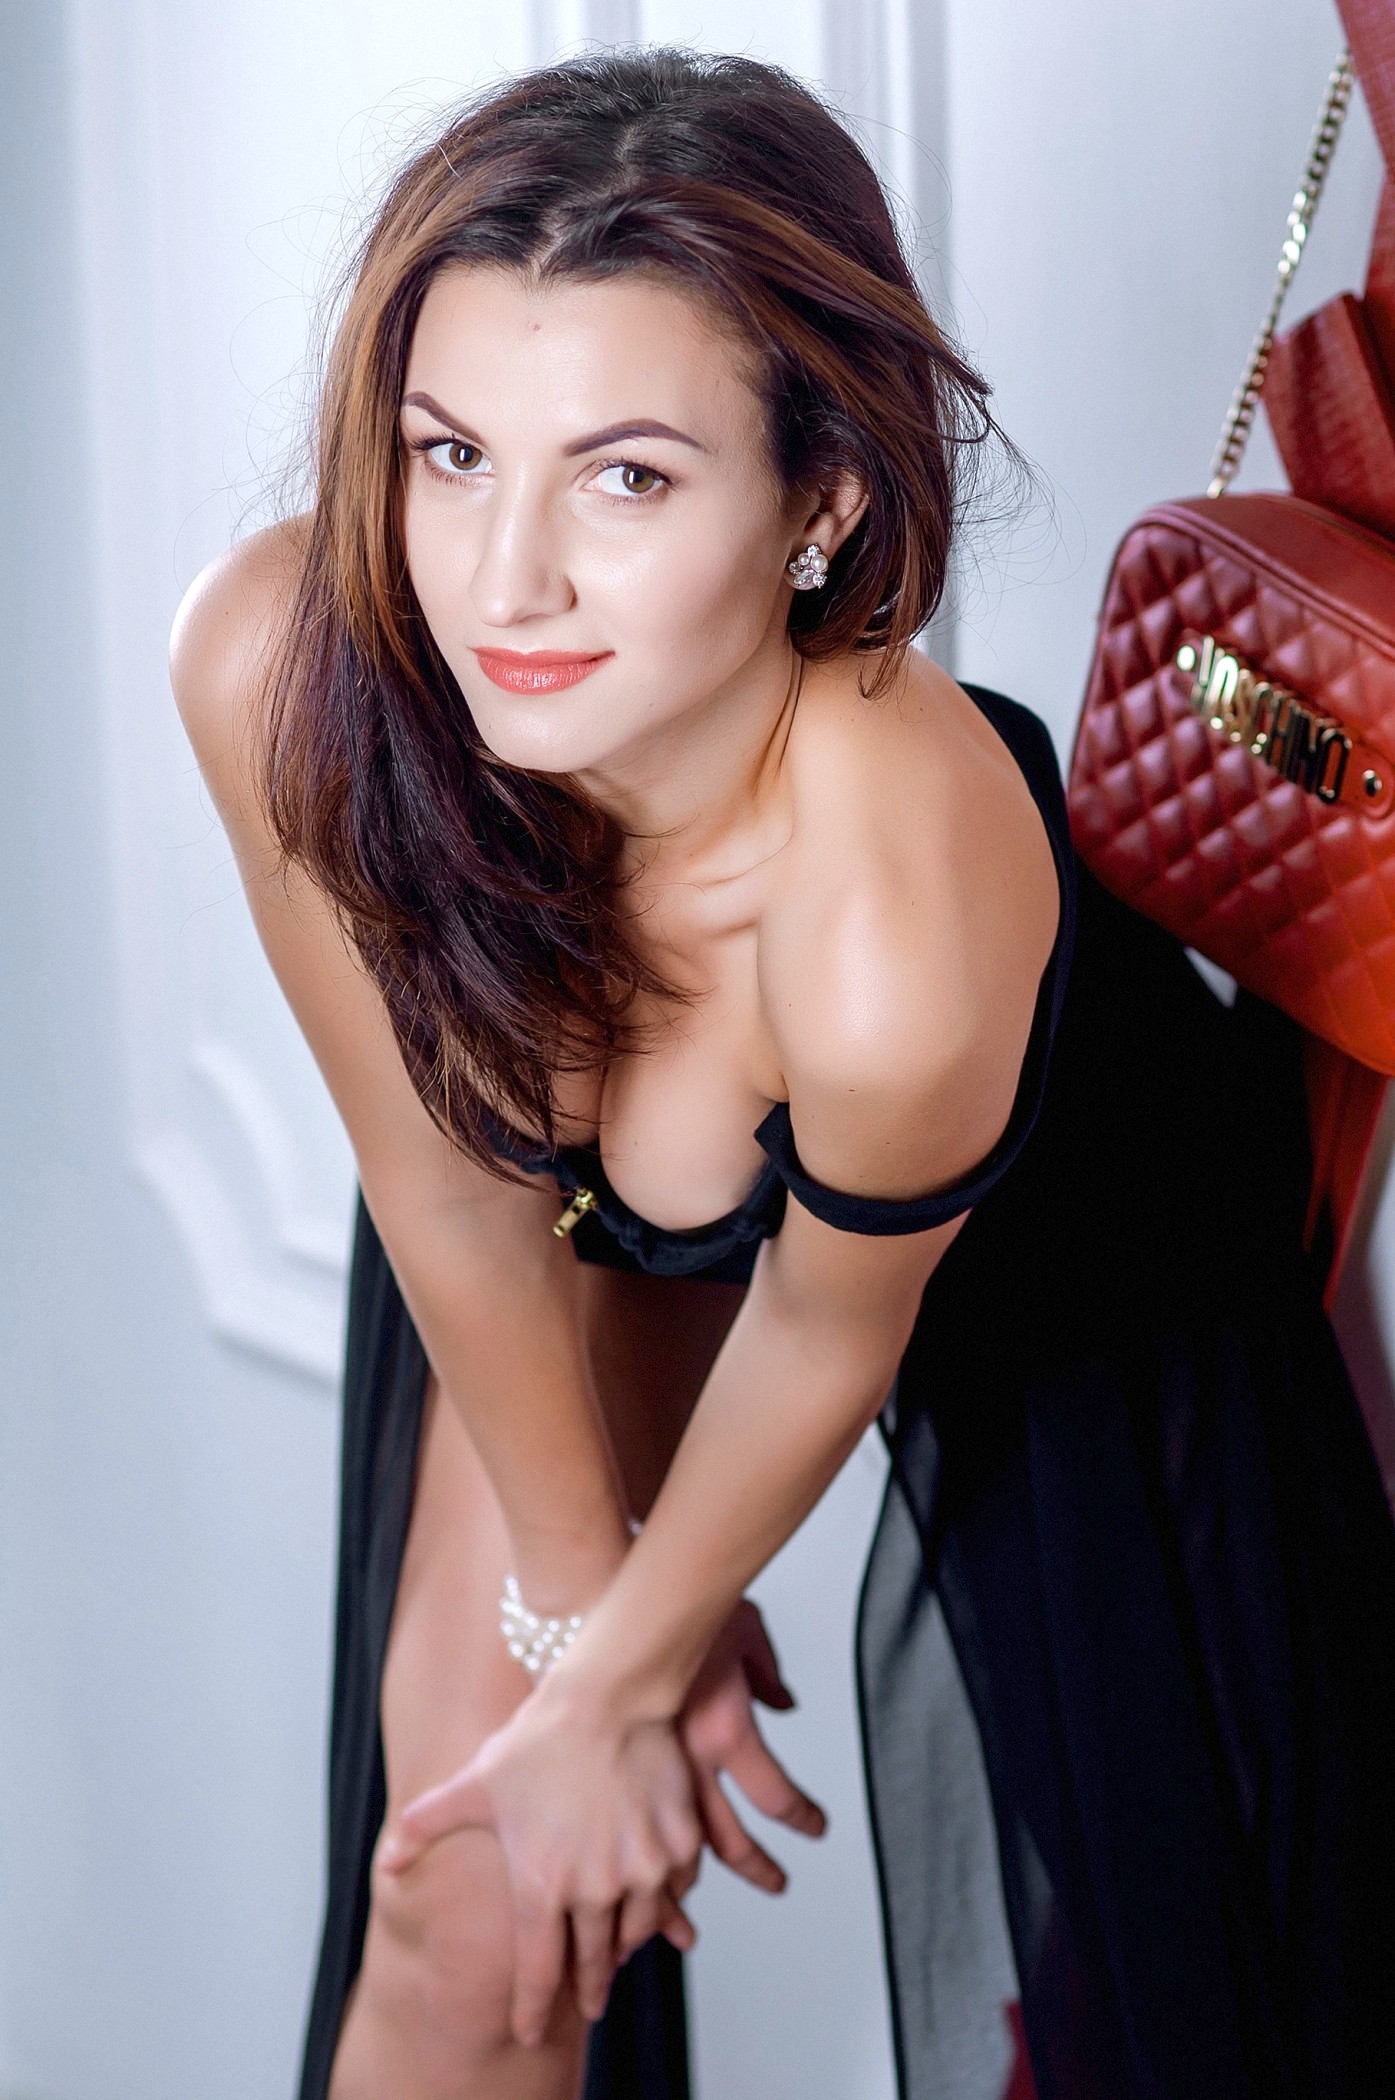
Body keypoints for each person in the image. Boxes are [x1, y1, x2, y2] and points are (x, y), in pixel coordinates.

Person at [170, 48, 1395, 2100]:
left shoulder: (889, 909)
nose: (503, 581)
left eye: (627, 478)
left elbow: (829, 1325)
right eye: (450, 453)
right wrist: (586, 1626)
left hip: (1023, 1239)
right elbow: (444, 1180)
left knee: (1164, 1952)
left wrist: (626, 1674)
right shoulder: (286, 665)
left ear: (819, 501)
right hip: (558, 1216)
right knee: (479, 1901)